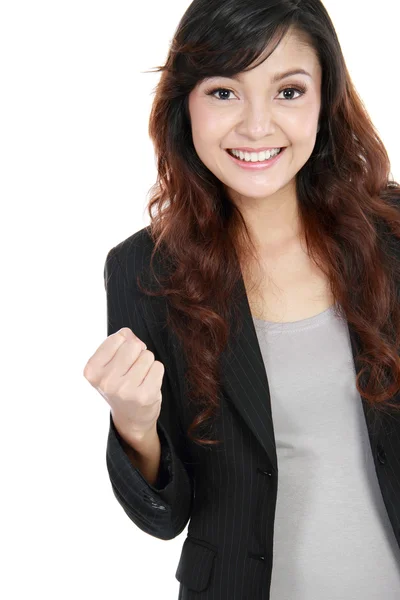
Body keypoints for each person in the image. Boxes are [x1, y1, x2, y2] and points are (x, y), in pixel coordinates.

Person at [83, 0, 400, 597]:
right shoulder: (144, 271)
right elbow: (165, 513)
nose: (257, 126)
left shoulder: (394, 234)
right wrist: (134, 423)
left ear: (325, 102)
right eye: (225, 92)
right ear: (186, 106)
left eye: (288, 91)